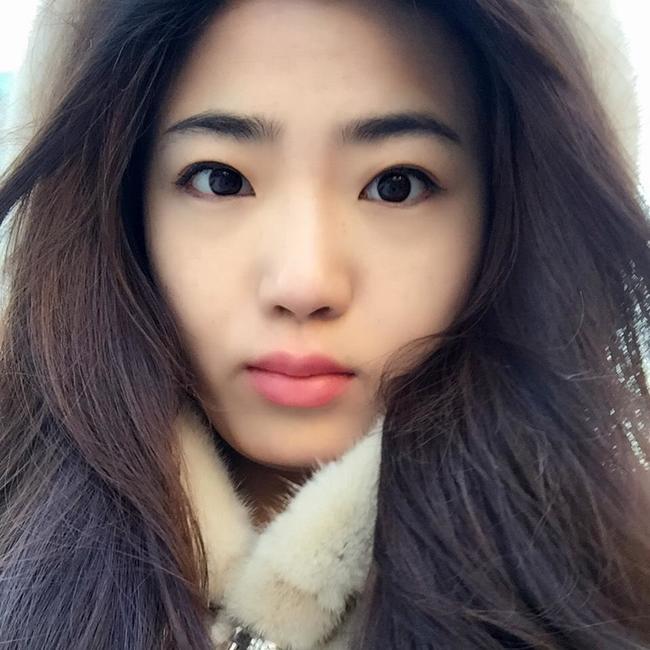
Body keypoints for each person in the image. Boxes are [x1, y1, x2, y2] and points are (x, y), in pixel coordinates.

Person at [0, 0, 648, 648]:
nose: (304, 284)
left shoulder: (616, 596)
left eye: (397, 185)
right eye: (221, 180)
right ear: (121, 205)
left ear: (508, 221)